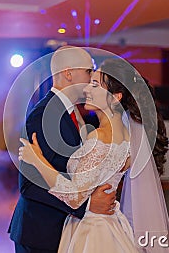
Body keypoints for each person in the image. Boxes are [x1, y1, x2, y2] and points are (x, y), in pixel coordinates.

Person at [19, 58, 169, 253]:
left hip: (92, 231)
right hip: (110, 224)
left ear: (116, 96)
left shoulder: (100, 138)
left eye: (95, 85)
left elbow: (74, 197)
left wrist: (36, 159)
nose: (86, 90)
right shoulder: (127, 139)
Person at [8, 46, 117, 253]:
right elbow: (30, 185)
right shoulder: (43, 115)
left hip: (64, 230)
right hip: (41, 232)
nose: (91, 77)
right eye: (88, 71)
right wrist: (87, 204)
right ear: (68, 73)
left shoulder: (75, 113)